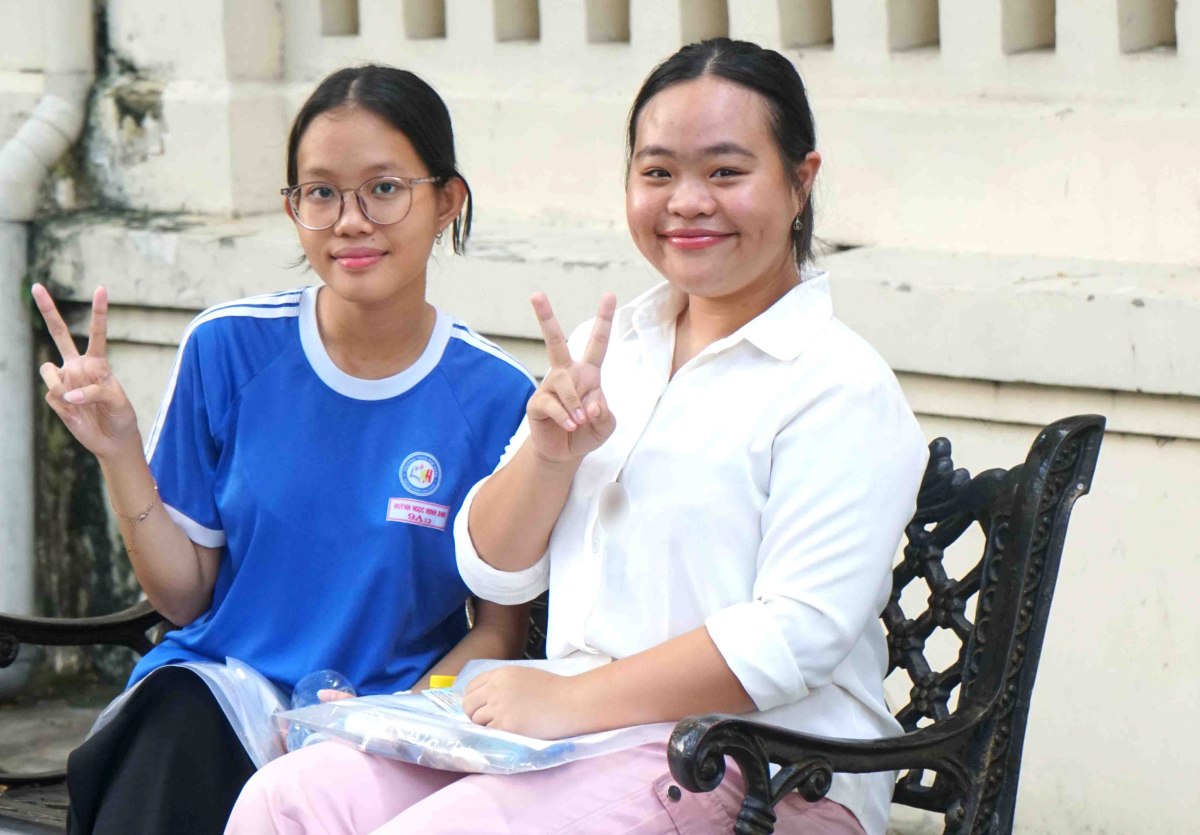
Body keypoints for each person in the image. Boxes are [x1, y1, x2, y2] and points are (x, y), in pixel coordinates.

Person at [225, 38, 927, 835]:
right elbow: (491, 564)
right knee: (289, 798)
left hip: (762, 769)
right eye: (657, 172)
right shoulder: (614, 350)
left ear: (801, 180)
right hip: (567, 741)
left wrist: (570, 697)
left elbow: (791, 636)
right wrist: (548, 459)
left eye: (726, 172)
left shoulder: (838, 385)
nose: (687, 201)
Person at [32, 65, 536, 835]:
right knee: (174, 721)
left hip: (388, 726)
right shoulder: (228, 347)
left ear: (447, 201)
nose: (350, 221)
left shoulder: (498, 397)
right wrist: (120, 452)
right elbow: (185, 598)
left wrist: (399, 713)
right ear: (293, 207)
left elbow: (500, 629)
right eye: (321, 192)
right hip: (224, 698)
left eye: (384, 188)